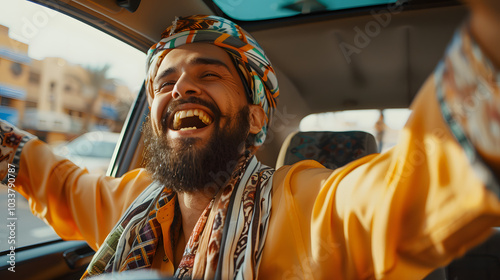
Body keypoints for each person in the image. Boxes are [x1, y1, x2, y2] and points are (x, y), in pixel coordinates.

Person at [1, 0, 499, 278]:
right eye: (165, 81)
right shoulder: (132, 199)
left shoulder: (303, 201)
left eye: (208, 74)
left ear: (255, 116)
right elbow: (54, 180)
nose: (182, 88)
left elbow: (399, 194)